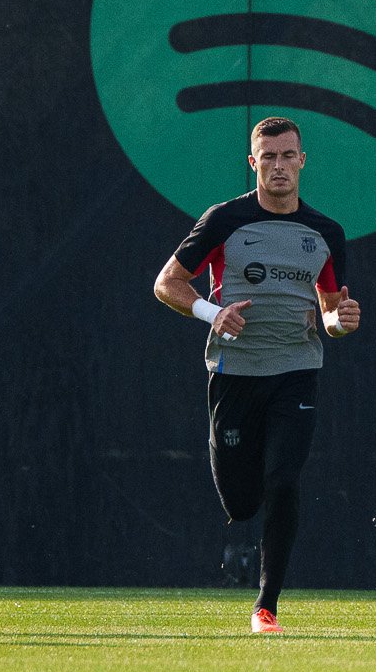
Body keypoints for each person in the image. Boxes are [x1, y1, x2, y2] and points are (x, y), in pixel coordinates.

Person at [153, 117, 358, 635]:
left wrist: (338, 323)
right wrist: (210, 313)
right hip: (234, 372)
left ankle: (266, 606)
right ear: (253, 163)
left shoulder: (325, 232)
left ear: (303, 160)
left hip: (296, 371)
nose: (280, 166)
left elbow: (331, 311)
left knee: (284, 479)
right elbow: (167, 283)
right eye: (269, 157)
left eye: (288, 156)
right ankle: (248, 504)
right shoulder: (225, 220)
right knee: (242, 502)